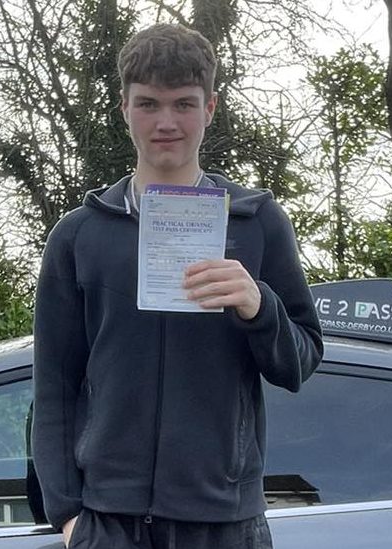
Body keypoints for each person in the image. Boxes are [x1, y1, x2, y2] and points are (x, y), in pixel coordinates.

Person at [32, 23, 323, 549]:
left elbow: (300, 363)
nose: (166, 122)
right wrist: (69, 517)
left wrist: (260, 306)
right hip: (109, 523)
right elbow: (54, 385)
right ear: (124, 108)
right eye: (148, 104)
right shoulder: (78, 236)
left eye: (184, 104)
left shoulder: (258, 223)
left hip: (225, 524)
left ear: (210, 108)